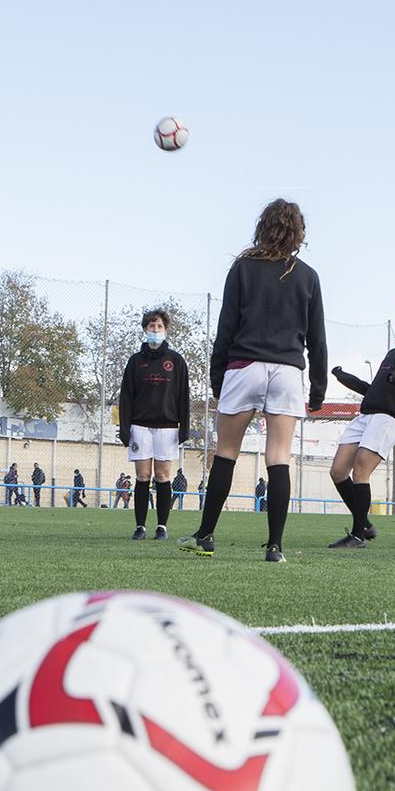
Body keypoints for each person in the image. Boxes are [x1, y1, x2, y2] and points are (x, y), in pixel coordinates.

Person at [180, 199, 326, 562]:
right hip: (288, 372)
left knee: (227, 452)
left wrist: (218, 377)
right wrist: (319, 388)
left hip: (244, 366)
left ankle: (206, 535)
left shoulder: (243, 267)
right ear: (298, 233)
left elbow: (226, 327)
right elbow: (318, 339)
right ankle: (275, 546)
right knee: (279, 456)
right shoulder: (308, 276)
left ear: (263, 226)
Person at [326, 298, 395, 549]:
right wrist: (345, 378)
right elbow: (372, 389)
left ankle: (357, 536)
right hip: (366, 415)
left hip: (389, 417)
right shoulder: (392, 353)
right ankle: (363, 522)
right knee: (338, 471)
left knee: (361, 471)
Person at [119, 308, 191, 540]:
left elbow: (183, 396)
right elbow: (126, 396)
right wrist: (124, 427)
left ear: (165, 330)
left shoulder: (176, 361)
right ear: (145, 329)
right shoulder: (135, 362)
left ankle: (162, 526)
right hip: (140, 426)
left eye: (159, 326)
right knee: (142, 476)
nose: (155, 330)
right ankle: (140, 526)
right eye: (151, 326)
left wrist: (184, 426)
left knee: (162, 476)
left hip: (168, 427)